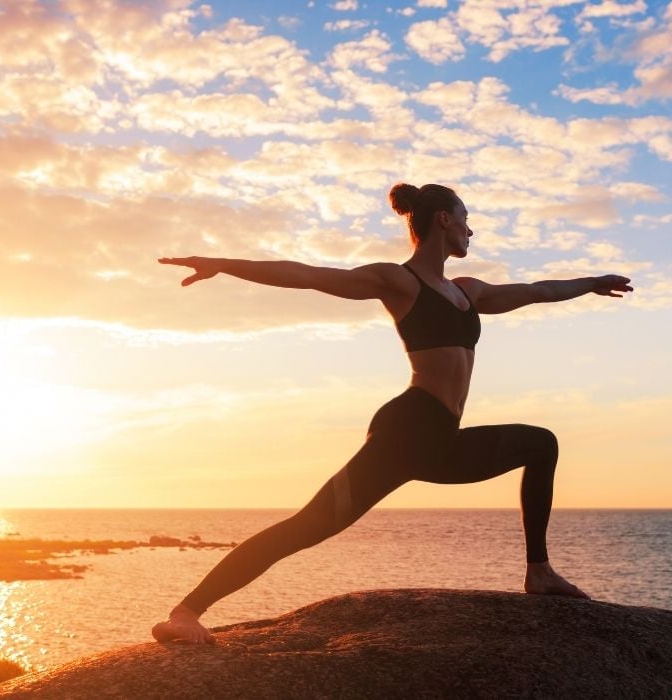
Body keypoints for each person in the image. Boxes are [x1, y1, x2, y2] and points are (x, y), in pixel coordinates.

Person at [152, 183, 633, 644]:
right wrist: (221, 264)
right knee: (310, 526)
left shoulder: (469, 292)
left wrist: (592, 283)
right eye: (467, 221)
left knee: (540, 443)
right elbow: (307, 274)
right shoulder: (398, 281)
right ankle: (186, 612)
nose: (471, 231)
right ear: (443, 221)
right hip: (405, 434)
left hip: (443, 441)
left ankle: (539, 572)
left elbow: (537, 290)